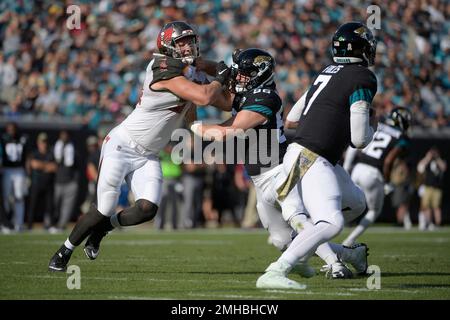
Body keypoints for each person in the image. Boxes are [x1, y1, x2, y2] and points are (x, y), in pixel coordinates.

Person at [48, 21, 231, 271]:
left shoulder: (190, 71)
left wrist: (226, 78)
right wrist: (220, 75)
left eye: (190, 41)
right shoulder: (162, 68)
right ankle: (65, 250)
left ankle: (101, 231)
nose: (188, 46)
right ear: (168, 46)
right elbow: (205, 96)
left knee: (147, 209)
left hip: (148, 154)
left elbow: (221, 103)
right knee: (103, 207)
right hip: (122, 145)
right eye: (182, 42)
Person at [191, 48, 369, 284]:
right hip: (260, 179)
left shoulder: (265, 98)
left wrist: (191, 124)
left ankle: (334, 264)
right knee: (282, 240)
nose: (238, 77)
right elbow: (222, 87)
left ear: (259, 75)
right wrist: (204, 66)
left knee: (298, 219)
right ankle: (350, 254)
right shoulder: (248, 93)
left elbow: (227, 131)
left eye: (245, 74)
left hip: (280, 170)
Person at [254, 22, 378, 289]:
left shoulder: (327, 72)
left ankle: (337, 252)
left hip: (309, 155)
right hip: (310, 157)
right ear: (363, 49)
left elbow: (293, 119)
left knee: (356, 202)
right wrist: (371, 127)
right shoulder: (362, 77)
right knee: (331, 222)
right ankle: (278, 270)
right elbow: (358, 139)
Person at [342, 107, 411, 246]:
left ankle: (320, 227)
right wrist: (386, 181)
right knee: (374, 211)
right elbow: (389, 160)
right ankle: (349, 241)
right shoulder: (401, 137)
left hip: (358, 168)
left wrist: (346, 168)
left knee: (345, 205)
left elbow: (354, 146)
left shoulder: (378, 126)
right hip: (373, 173)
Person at [0, 122, 28, 232]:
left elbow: (27, 156)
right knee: (6, 197)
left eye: (13, 129)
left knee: (19, 196)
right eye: (10, 129)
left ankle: (19, 223)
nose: (12, 131)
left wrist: (27, 172)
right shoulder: (3, 139)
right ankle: (6, 223)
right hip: (7, 170)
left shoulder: (22, 139)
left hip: (19, 170)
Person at [27, 132, 57, 230]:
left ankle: (50, 225)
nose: (43, 144)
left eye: (45, 142)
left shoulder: (50, 153)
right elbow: (33, 164)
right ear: (38, 143)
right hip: (36, 183)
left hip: (48, 183)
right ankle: (29, 225)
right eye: (42, 142)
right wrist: (46, 166)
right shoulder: (34, 153)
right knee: (33, 205)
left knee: (49, 206)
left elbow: (54, 167)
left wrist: (41, 166)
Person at [53, 130, 79, 231]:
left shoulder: (73, 149)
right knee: (55, 204)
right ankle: (52, 223)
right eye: (62, 135)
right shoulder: (55, 148)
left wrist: (75, 181)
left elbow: (78, 166)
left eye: (66, 135)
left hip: (70, 181)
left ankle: (61, 225)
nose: (64, 138)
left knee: (66, 207)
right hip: (57, 181)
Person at [417, 147, 447, 230]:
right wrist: (428, 157)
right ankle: (429, 222)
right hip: (427, 187)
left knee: (436, 206)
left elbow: (443, 167)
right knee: (426, 206)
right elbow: (420, 167)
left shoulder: (440, 161)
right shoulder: (427, 162)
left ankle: (438, 223)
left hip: (437, 187)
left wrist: (437, 158)